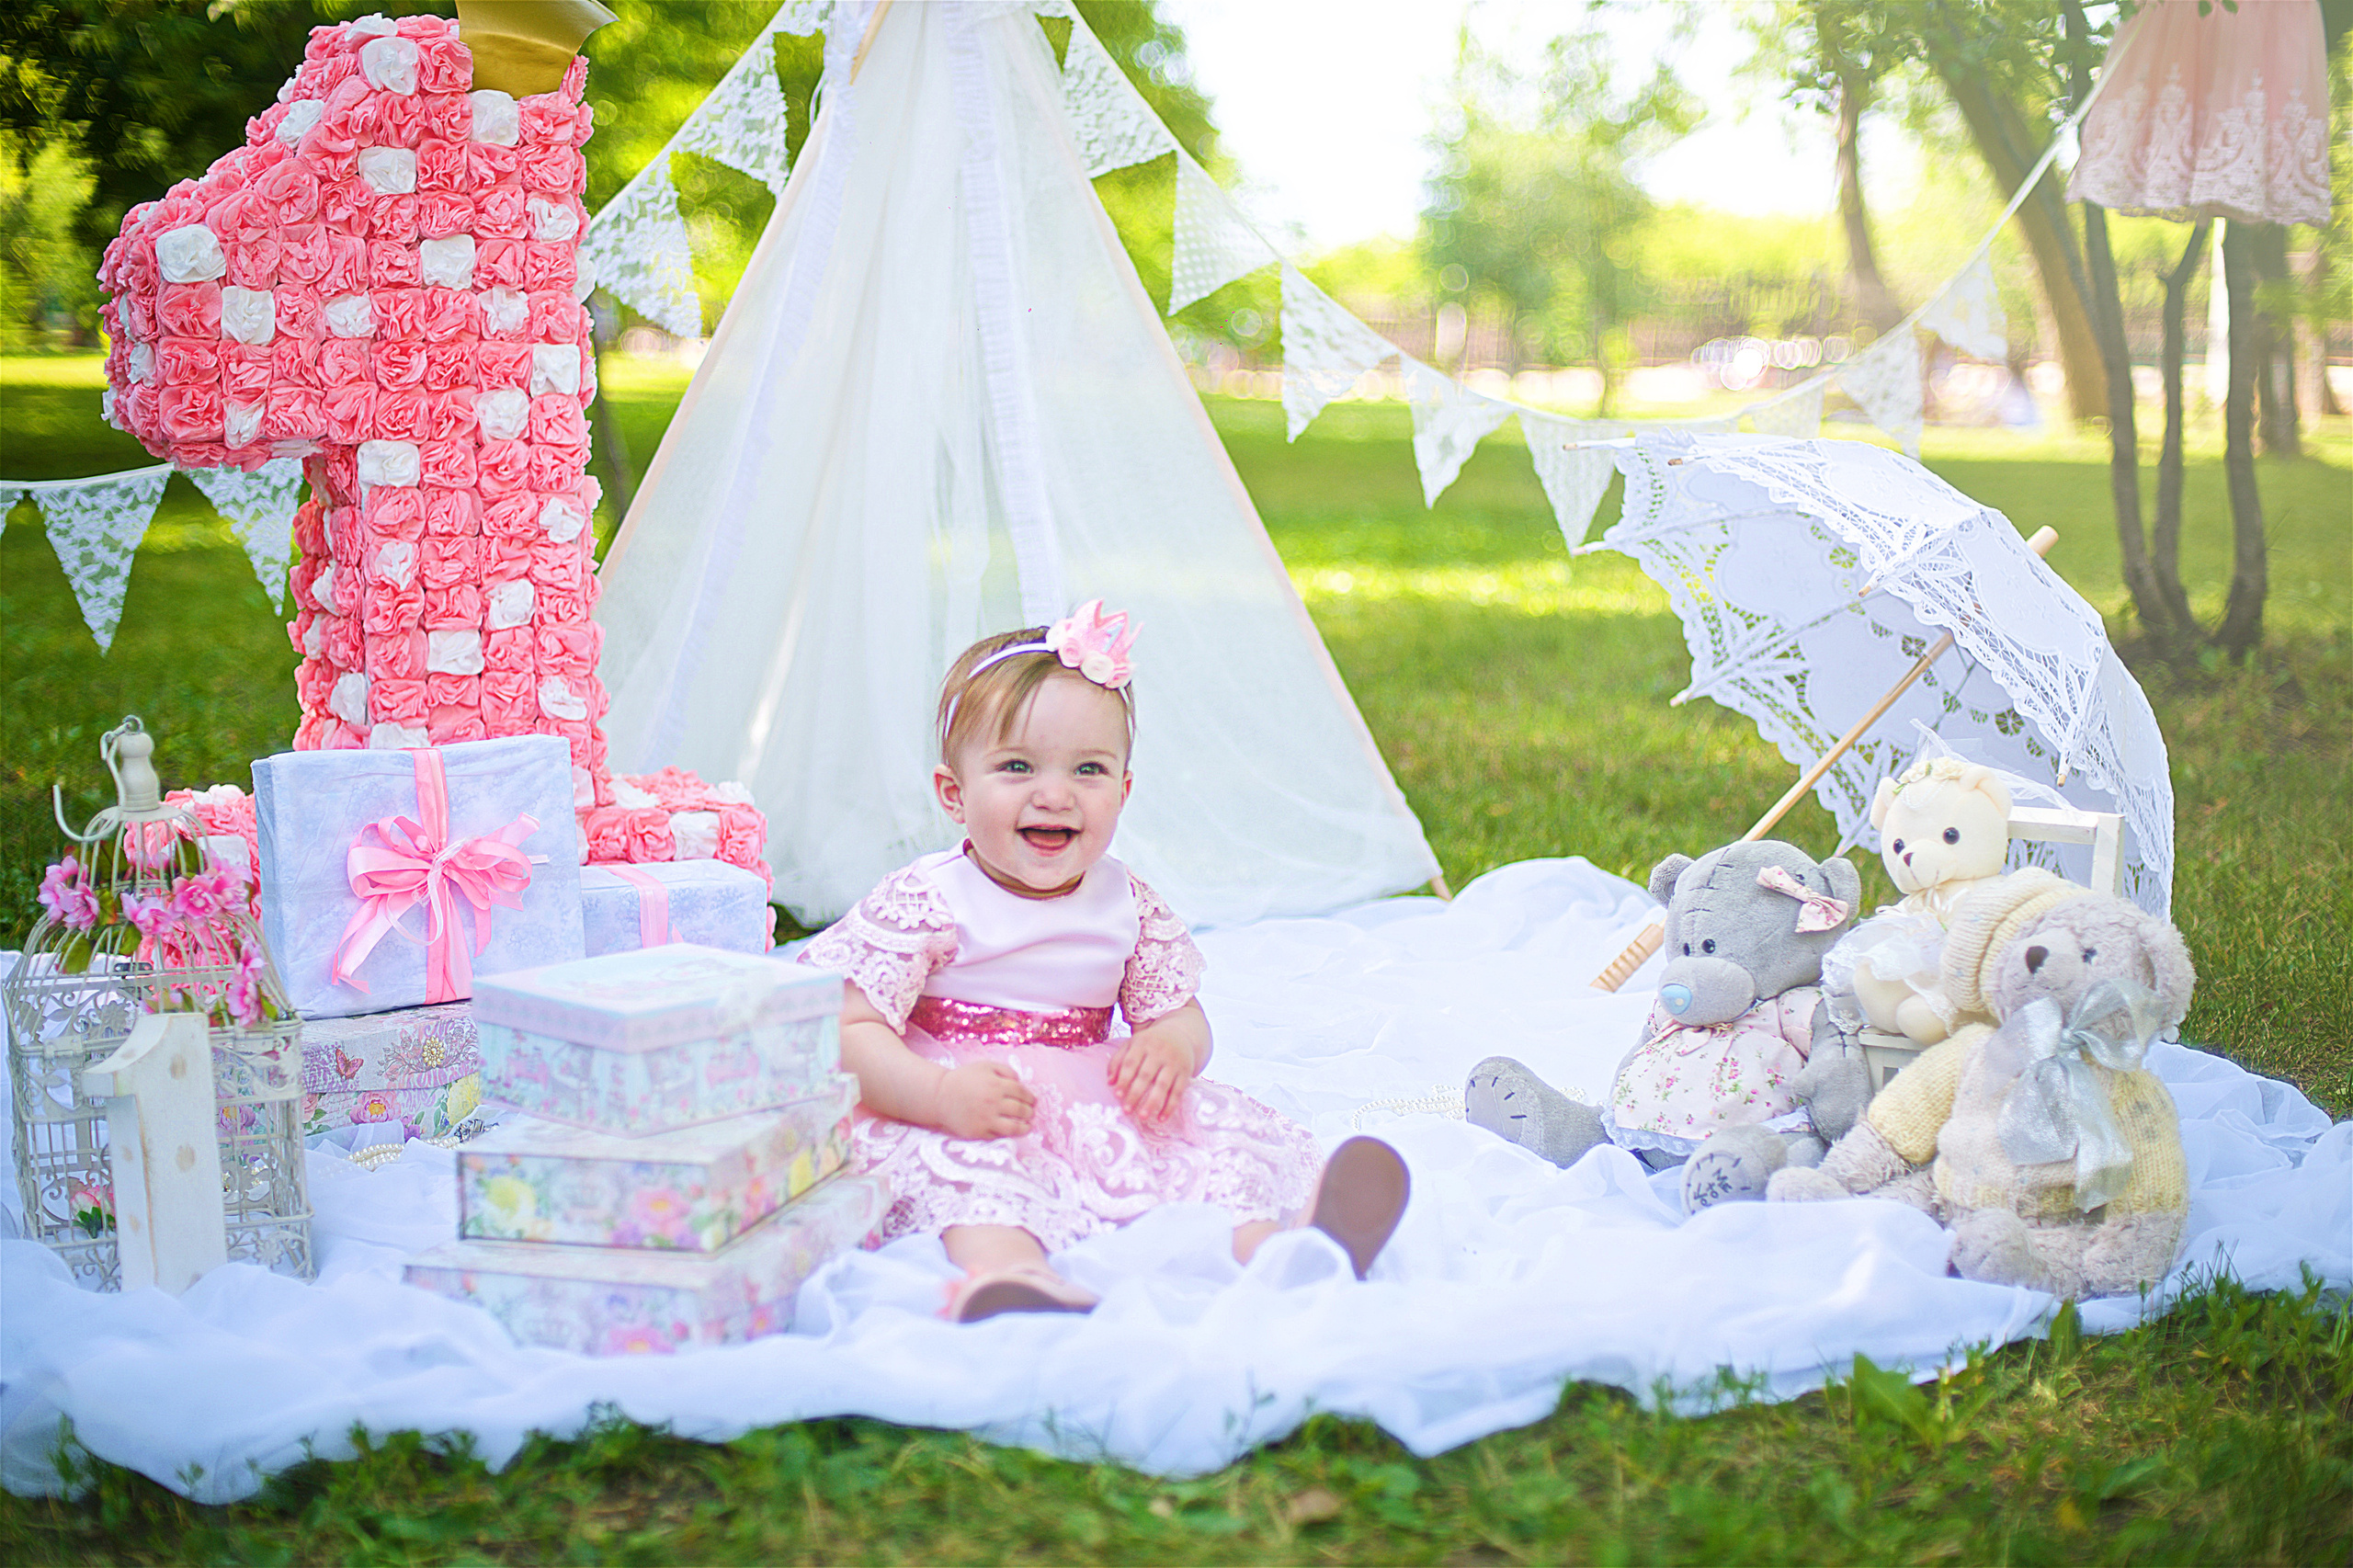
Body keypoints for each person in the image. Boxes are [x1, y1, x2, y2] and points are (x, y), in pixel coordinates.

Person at [801, 602, 1409, 1322]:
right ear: (954, 796)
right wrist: (935, 1096)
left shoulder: (1126, 902)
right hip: (956, 1093)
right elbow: (848, 1028)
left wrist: (1169, 1045)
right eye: (1017, 766)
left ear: (1122, 791)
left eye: (1087, 769)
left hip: (1091, 1097)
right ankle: (1011, 1277)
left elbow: (1180, 1012)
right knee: (972, 1175)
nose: (1054, 793)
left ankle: (1282, 1251)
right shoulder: (929, 897)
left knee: (1208, 1142)